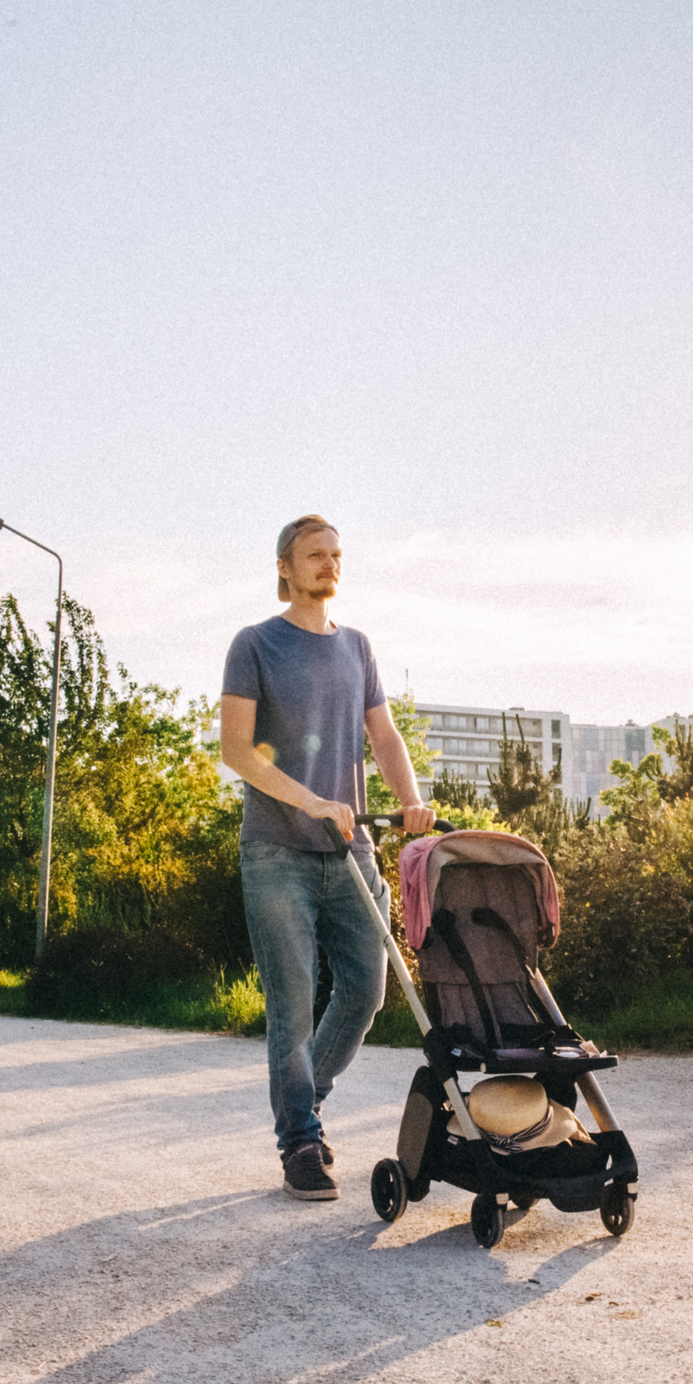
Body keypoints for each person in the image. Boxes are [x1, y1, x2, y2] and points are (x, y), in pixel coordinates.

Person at [219, 514, 433, 1200]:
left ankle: (305, 1103)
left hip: (351, 853)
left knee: (367, 990)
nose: (329, 564)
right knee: (293, 1001)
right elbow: (237, 751)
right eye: (315, 554)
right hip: (276, 852)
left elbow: (386, 736)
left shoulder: (358, 647)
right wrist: (310, 800)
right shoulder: (254, 643)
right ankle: (301, 1141)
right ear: (285, 567)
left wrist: (413, 802)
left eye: (337, 554)